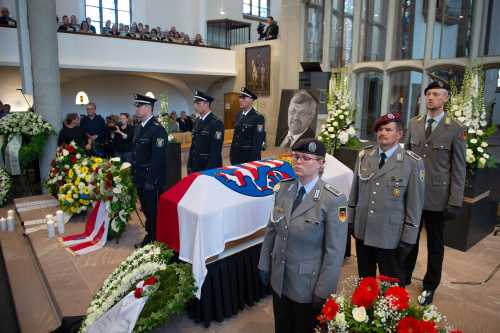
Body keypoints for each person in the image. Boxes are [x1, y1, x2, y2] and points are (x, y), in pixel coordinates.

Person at [258, 138, 348, 333]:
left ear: (321, 163)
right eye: (296, 157)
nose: (298, 161)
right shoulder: (283, 188)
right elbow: (272, 229)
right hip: (280, 278)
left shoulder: (334, 200)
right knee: (282, 326)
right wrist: (264, 264)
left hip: (307, 286)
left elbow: (335, 251)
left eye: (306, 158)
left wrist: (324, 290)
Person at [404, 81, 466, 305]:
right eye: (428, 94)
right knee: (409, 238)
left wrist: (455, 200)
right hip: (413, 194)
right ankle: (404, 276)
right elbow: (406, 160)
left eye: (436, 94)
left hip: (438, 198)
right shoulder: (414, 123)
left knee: (435, 244)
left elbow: (459, 167)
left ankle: (430, 285)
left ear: (446, 98)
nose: (431, 98)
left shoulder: (456, 128)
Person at [348, 112, 425, 285]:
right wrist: (350, 220)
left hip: (390, 235)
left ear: (399, 134)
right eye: (380, 129)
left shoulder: (412, 162)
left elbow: (415, 204)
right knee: (365, 282)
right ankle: (364, 310)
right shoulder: (364, 156)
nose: (383, 133)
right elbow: (355, 192)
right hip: (364, 230)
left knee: (390, 286)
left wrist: (410, 236)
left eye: (388, 129)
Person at [132, 94, 167, 247]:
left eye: (139, 106)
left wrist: (151, 181)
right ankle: (151, 234)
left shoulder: (157, 129)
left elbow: (158, 158)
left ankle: (154, 239)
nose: (136, 108)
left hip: (150, 179)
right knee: (146, 209)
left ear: (147, 108)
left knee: (153, 211)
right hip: (140, 177)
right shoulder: (140, 127)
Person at [187, 91, 224, 173]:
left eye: (198, 103)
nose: (195, 106)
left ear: (206, 104)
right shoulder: (197, 121)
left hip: (208, 167)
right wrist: (189, 165)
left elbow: (215, 151)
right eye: (194, 103)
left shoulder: (216, 123)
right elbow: (193, 146)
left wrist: (209, 171)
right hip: (195, 166)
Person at [230, 87, 265, 165]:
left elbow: (258, 140)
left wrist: (252, 160)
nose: (240, 100)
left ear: (251, 100)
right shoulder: (238, 115)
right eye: (240, 98)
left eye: (244, 98)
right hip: (236, 156)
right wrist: (231, 154)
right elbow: (235, 136)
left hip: (249, 158)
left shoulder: (258, 117)